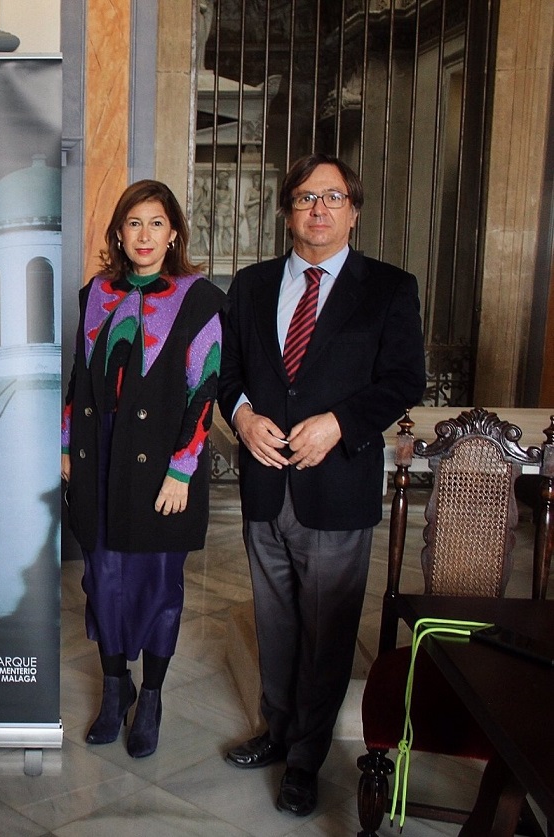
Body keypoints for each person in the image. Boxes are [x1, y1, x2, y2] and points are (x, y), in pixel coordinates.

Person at [218, 153, 425, 816]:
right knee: (275, 622)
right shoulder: (249, 287)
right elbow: (228, 377)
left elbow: (403, 381)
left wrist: (338, 422)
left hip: (336, 484)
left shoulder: (390, 288)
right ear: (287, 211)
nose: (319, 208)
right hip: (264, 485)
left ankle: (306, 758)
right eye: (307, 197)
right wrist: (244, 414)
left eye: (333, 197)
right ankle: (276, 731)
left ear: (353, 211)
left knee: (328, 627)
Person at [62, 180, 224, 758]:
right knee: (101, 580)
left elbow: (206, 388)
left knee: (158, 586)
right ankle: (114, 689)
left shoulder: (199, 297)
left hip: (161, 462)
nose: (145, 235)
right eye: (134, 223)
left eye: (157, 223)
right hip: (98, 457)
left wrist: (182, 471)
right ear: (118, 233)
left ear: (174, 231)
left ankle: (150, 696)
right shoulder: (94, 295)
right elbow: (79, 378)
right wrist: (65, 446)